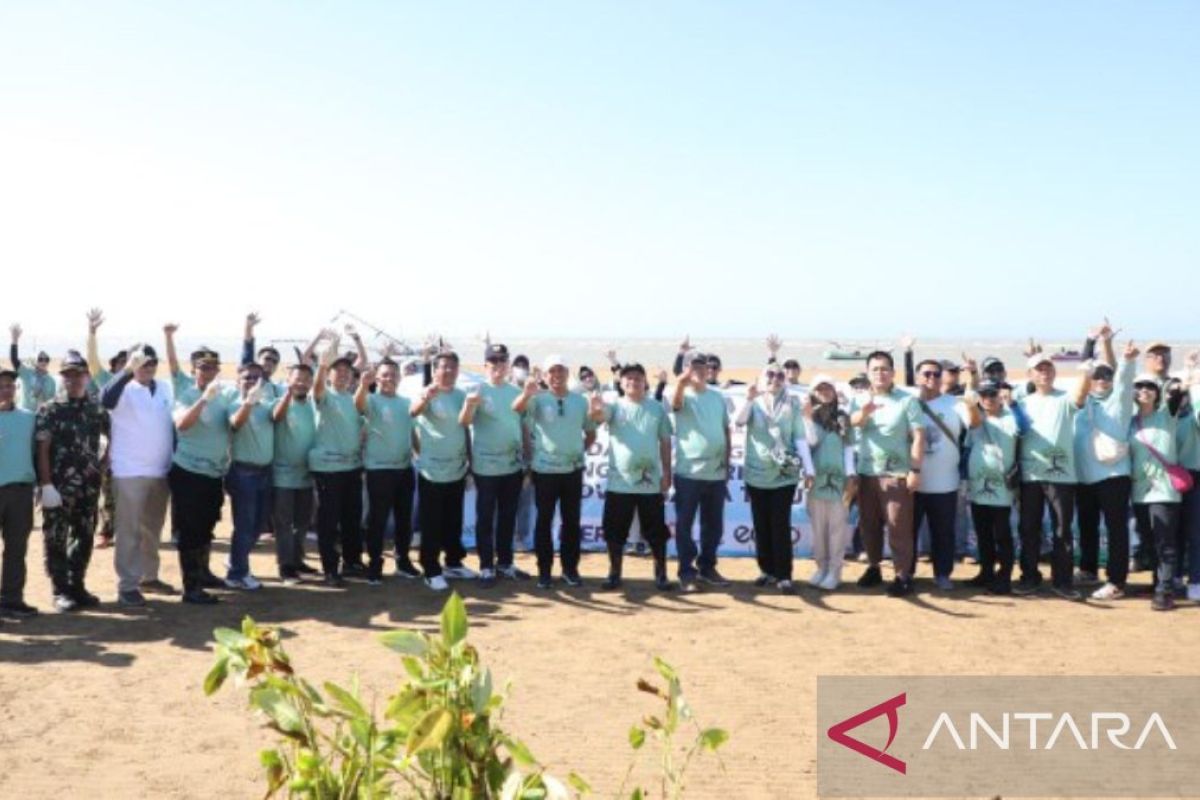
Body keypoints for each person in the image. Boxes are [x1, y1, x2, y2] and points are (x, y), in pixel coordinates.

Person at [514, 354, 596, 589]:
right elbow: (517, 409)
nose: (557, 376)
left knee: (571, 522)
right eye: (552, 372)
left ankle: (570, 570)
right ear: (546, 376)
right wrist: (527, 392)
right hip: (544, 471)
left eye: (561, 371)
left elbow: (590, 432)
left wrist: (577, 451)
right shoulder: (537, 400)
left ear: (567, 374)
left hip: (572, 471)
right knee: (544, 521)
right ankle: (544, 571)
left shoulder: (580, 401)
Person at [589, 363, 674, 591]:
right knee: (615, 531)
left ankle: (661, 574)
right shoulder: (615, 406)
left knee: (656, 532)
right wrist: (595, 408)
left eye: (637, 378)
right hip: (620, 483)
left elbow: (665, 442)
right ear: (621, 383)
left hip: (650, 484)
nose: (633, 382)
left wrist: (667, 473)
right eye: (628, 378)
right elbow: (598, 416)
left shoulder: (656, 408)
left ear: (645, 382)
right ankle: (614, 573)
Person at [101, 343, 175, 607]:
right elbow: (105, 399)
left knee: (152, 530)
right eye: (142, 363)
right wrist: (127, 371)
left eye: (152, 362)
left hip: (160, 471)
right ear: (132, 364)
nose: (148, 367)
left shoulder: (164, 388)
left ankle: (149, 577)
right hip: (129, 471)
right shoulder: (123, 388)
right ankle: (128, 585)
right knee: (129, 532)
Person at [35, 351, 108, 612]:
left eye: (78, 374)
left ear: (86, 376)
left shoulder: (95, 406)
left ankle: (77, 585)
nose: (73, 380)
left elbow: (111, 434)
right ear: (62, 378)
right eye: (68, 375)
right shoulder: (50, 408)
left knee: (85, 534)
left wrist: (102, 465)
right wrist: (45, 485)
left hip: (88, 486)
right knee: (56, 537)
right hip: (58, 486)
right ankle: (60, 590)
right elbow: (42, 448)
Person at [1015, 352, 1090, 599]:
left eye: (1048, 368)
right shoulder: (1023, 402)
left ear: (1054, 373)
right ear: (1030, 375)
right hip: (1030, 476)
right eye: (1039, 369)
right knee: (1028, 529)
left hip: (1062, 477)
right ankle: (1030, 577)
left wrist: (1085, 370)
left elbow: (1080, 395)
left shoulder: (1064, 398)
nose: (1044, 372)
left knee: (1062, 530)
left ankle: (1063, 581)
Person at [850, 351, 926, 597]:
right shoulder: (859, 399)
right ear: (868, 372)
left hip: (896, 474)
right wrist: (865, 412)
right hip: (866, 473)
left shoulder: (907, 401)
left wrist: (915, 470)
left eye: (884, 369)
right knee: (869, 525)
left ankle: (903, 575)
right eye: (875, 369)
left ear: (893, 373)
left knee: (898, 527)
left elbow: (919, 437)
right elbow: (853, 423)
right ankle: (874, 567)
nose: (880, 373)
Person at [1073, 329, 1136, 600]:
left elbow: (1124, 383)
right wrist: (1089, 342)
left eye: (1106, 375)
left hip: (1114, 477)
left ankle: (1116, 581)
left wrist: (1127, 360)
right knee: (1086, 525)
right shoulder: (1080, 402)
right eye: (1096, 376)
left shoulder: (1118, 404)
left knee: (1116, 529)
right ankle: (1088, 569)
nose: (1101, 379)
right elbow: (1083, 369)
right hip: (1085, 477)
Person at [168, 339, 232, 605]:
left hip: (213, 474)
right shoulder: (186, 394)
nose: (207, 372)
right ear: (194, 370)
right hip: (188, 473)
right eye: (202, 368)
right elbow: (182, 424)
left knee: (207, 527)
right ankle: (190, 586)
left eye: (212, 368)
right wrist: (203, 401)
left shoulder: (224, 396)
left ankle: (203, 573)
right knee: (190, 530)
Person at [736, 365, 808, 593]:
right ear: (760, 378)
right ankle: (766, 570)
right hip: (756, 474)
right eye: (769, 374)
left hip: (784, 474)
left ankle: (784, 575)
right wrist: (748, 399)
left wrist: (809, 467)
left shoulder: (793, 403)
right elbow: (738, 421)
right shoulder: (753, 401)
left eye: (779, 375)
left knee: (779, 524)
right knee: (761, 524)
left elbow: (799, 437)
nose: (774, 379)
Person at [461, 344, 528, 587]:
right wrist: (470, 404)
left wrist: (527, 462)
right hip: (485, 468)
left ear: (508, 365)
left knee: (508, 517)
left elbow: (524, 426)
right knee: (485, 518)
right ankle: (487, 567)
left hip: (512, 466)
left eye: (502, 362)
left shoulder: (515, 391)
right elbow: (465, 422)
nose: (498, 367)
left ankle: (506, 564)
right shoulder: (477, 390)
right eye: (493, 362)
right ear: (485, 366)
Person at [911, 358, 978, 589]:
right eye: (926, 374)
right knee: (908, 533)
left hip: (945, 483)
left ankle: (942, 574)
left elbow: (974, 423)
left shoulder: (954, 403)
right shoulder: (909, 402)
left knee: (943, 533)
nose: (931, 378)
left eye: (936, 374)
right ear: (918, 377)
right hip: (912, 481)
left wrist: (971, 401)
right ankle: (906, 574)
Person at [669, 350, 732, 592]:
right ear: (685, 369)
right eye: (692, 366)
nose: (698, 370)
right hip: (689, 473)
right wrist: (680, 383)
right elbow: (675, 406)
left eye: (702, 366)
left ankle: (707, 567)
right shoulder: (680, 393)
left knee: (713, 525)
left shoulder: (717, 397)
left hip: (715, 473)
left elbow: (726, 431)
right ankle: (687, 572)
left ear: (708, 369)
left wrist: (726, 464)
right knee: (684, 525)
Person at [411, 350, 473, 591]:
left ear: (457, 371)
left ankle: (454, 562)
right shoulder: (427, 392)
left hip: (457, 468)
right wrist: (425, 398)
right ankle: (431, 569)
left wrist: (470, 461)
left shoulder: (461, 395)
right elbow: (413, 412)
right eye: (443, 367)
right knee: (432, 522)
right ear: (435, 370)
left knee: (453, 520)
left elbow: (464, 428)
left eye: (452, 367)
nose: (447, 371)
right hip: (431, 471)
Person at [356, 359, 419, 584]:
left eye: (393, 374)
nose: (389, 379)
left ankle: (402, 562)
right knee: (378, 520)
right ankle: (375, 564)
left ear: (399, 378)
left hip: (404, 469)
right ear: (377, 378)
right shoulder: (371, 400)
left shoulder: (406, 403)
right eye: (384, 375)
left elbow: (412, 433)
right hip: (379, 470)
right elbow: (359, 405)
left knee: (405, 520)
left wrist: (420, 456)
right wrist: (363, 386)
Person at [311, 336, 366, 585]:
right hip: (329, 470)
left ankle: (352, 562)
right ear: (330, 375)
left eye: (347, 371)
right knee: (329, 522)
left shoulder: (353, 399)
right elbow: (317, 390)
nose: (343, 374)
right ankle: (330, 569)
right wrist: (323, 365)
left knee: (352, 518)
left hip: (352, 468)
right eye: (338, 370)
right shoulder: (326, 397)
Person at [1130, 370, 1186, 610]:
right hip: (1140, 491)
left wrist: (1185, 377)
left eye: (1150, 386)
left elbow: (1177, 395)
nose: (1144, 390)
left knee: (1165, 541)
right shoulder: (1131, 421)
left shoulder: (1167, 415)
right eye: (1140, 386)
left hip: (1164, 490)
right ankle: (1157, 583)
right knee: (1149, 541)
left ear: (1157, 393)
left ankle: (1165, 590)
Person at [964, 379, 1018, 593]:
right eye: (983, 395)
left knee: (1002, 534)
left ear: (1000, 396)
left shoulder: (1010, 417)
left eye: (992, 395)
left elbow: (1020, 429)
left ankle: (1004, 576)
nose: (988, 399)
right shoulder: (977, 417)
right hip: (979, 486)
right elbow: (975, 424)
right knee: (983, 533)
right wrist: (971, 404)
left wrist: (1012, 404)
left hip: (1002, 487)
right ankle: (986, 572)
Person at [225, 363, 277, 590]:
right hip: (243, 473)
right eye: (247, 378)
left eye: (256, 378)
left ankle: (237, 561)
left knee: (257, 527)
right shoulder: (233, 404)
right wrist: (248, 402)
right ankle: (237, 573)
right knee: (245, 526)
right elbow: (235, 424)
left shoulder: (266, 406)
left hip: (265, 473)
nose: (251, 381)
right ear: (238, 381)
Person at [803, 374, 855, 590]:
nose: (824, 392)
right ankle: (821, 568)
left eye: (828, 388)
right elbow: (810, 443)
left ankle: (835, 571)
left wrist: (851, 476)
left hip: (839, 480)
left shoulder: (843, 418)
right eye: (819, 389)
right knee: (818, 528)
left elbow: (849, 448)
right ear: (812, 393)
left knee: (836, 528)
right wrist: (806, 419)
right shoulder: (808, 418)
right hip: (816, 480)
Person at [272, 363, 319, 584]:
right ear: (288, 380)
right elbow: (275, 417)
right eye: (297, 378)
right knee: (284, 523)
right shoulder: (280, 403)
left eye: (306, 379)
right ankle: (286, 566)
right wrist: (287, 396)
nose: (301, 383)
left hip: (307, 475)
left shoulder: (312, 406)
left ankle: (297, 560)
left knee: (302, 522)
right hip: (282, 476)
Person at [0, 366, 38, 618]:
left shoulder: (28, 418)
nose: (6, 389)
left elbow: (38, 452)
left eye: (10, 385)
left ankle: (11, 600)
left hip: (20, 493)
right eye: (1, 385)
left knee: (16, 549)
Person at [85, 309, 123, 551]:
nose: (125, 367)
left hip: (133, 448)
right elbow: (92, 361)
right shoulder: (107, 381)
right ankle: (106, 532)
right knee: (107, 492)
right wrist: (92, 333)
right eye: (120, 363)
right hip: (109, 445)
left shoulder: (141, 386)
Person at [1174, 351, 1200, 602]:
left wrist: (1191, 375)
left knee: (1195, 533)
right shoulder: (1166, 418)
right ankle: (1174, 579)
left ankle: (1195, 580)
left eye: (1182, 395)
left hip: (1194, 476)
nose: (1180, 398)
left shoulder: (1194, 417)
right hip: (1171, 479)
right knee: (1175, 533)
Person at [8, 324, 56, 411]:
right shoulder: (27, 373)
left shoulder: (51, 381)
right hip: (25, 415)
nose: (43, 361)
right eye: (40, 359)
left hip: (42, 418)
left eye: (46, 359)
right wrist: (14, 340)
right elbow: (14, 360)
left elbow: (52, 402)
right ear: (35, 361)